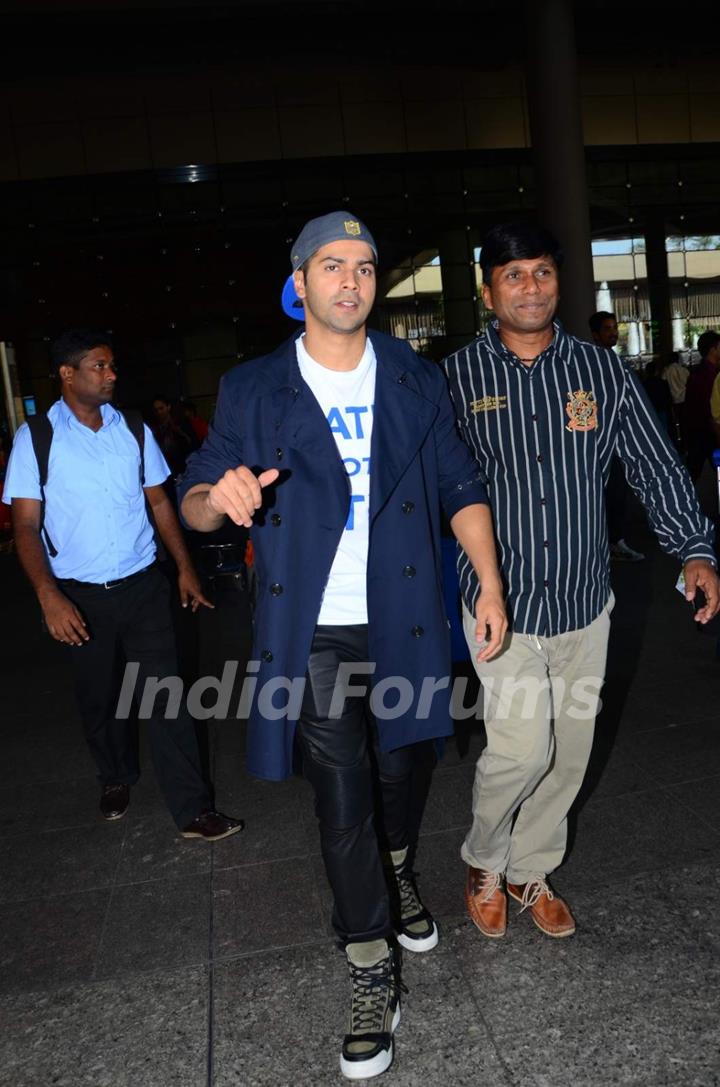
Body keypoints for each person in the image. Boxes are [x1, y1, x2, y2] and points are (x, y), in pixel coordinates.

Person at [179, 211, 507, 1080]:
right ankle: (369, 962)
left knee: (403, 767)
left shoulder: (413, 378)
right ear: (300, 278)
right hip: (312, 625)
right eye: (333, 265)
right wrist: (223, 493)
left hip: (402, 613)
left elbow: (458, 483)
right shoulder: (253, 386)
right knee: (342, 793)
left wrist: (490, 582)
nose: (351, 281)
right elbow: (194, 494)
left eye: (364, 267)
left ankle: (399, 871)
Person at [444, 223, 719, 942]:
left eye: (541, 272)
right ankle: (483, 858)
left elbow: (656, 465)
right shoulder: (455, 379)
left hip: (584, 603)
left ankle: (531, 866)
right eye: (513, 274)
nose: (530, 286)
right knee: (519, 749)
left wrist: (694, 548)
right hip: (500, 604)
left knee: (568, 754)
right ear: (487, 290)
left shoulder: (601, 372)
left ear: (558, 284)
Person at [4, 329, 243, 841]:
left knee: (167, 697)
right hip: (79, 596)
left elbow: (159, 502)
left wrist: (183, 566)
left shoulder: (133, 430)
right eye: (99, 366)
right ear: (67, 374)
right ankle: (115, 775)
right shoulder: (37, 438)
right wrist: (48, 595)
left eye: (112, 366)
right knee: (100, 696)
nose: (111, 375)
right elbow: (25, 525)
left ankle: (192, 810)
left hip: (143, 588)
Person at [588, 310, 645, 562]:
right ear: (596, 334)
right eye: (608, 328)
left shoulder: (612, 360)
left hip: (616, 439)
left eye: (615, 328)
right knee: (609, 493)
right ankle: (610, 543)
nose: (614, 333)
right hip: (601, 441)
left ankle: (613, 541)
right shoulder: (592, 363)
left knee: (617, 491)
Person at [684, 330, 720, 480]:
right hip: (708, 433)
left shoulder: (698, 373)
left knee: (692, 473)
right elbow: (711, 411)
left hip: (697, 432)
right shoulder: (710, 375)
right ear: (713, 349)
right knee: (693, 473)